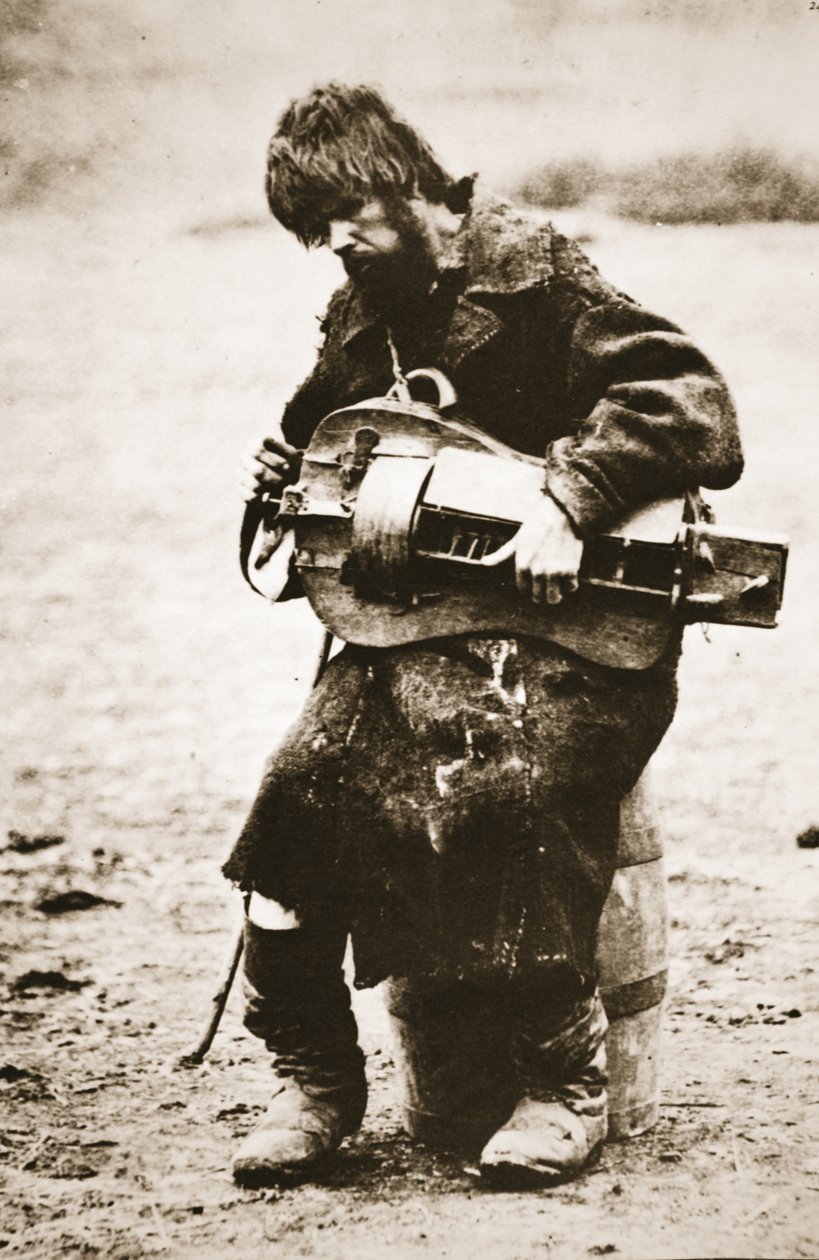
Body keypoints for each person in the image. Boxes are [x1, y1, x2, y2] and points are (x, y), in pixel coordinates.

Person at [222, 82, 743, 1189]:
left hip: (582, 636)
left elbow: (689, 396)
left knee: (511, 786)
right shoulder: (368, 307)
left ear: (396, 181)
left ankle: (562, 1084)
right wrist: (290, 470)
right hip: (423, 635)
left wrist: (571, 498)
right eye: (311, 233)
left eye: (341, 217)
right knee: (294, 797)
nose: (331, 246)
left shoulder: (540, 274)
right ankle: (314, 1081)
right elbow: (332, 429)